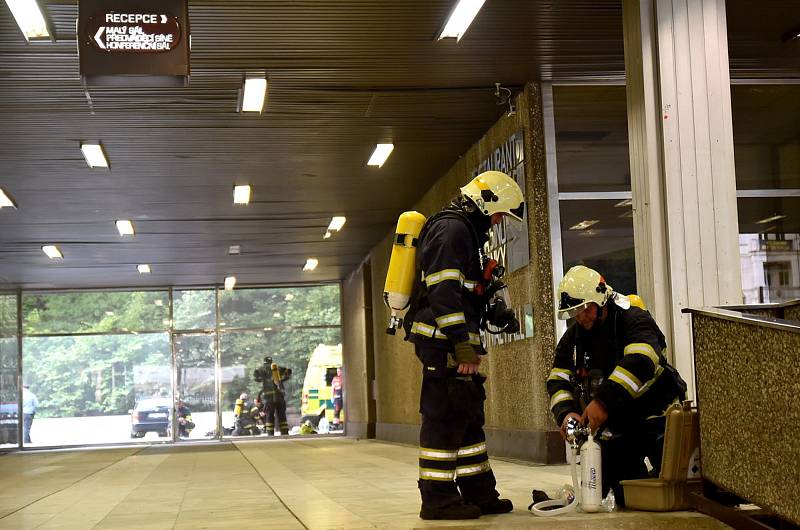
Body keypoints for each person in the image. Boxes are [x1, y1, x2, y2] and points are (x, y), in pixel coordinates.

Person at [405, 171, 525, 520]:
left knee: (469, 416)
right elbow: (443, 292)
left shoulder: (464, 232)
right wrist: (461, 345)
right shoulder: (452, 230)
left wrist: (490, 303)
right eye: (499, 213)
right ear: (485, 203)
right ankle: (438, 499)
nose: (499, 220)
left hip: (454, 341)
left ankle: (479, 492)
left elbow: (465, 291)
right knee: (444, 416)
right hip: (442, 343)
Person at [547, 265, 688, 505]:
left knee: (677, 489)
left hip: (656, 417)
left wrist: (602, 402)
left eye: (585, 308)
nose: (581, 317)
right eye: (575, 312)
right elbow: (558, 378)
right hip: (619, 424)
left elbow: (641, 361)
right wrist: (565, 412)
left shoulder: (633, 319)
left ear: (600, 300)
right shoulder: (574, 338)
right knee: (624, 494)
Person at [254, 356, 292, 436]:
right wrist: (282, 380)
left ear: (264, 362)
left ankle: (270, 433)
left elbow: (256, 378)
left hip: (269, 398)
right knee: (281, 415)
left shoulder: (261, 369)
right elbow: (289, 372)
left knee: (270, 416)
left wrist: (263, 379)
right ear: (272, 361)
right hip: (279, 396)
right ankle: (284, 432)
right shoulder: (277, 368)